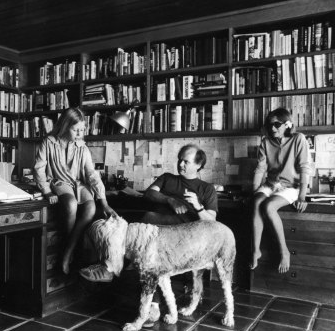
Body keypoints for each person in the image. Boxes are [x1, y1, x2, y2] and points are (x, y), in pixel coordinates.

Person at [79, 143, 218, 282]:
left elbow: (212, 222)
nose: (181, 164)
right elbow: (149, 193)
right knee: (116, 221)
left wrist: (199, 207)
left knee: (145, 219)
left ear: (198, 165)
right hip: (152, 226)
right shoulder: (167, 178)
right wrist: (170, 200)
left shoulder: (207, 189)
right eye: (180, 160)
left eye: (186, 161)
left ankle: (111, 268)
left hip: (179, 231)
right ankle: (110, 266)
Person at [33, 107, 117, 275]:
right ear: (65, 126)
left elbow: (91, 174)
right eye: (75, 129)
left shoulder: (82, 147)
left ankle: (67, 252)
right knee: (71, 204)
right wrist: (47, 191)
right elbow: (38, 169)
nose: (80, 133)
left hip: (78, 184)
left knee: (91, 208)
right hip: (58, 182)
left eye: (82, 129)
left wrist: (104, 202)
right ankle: (71, 254)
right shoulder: (48, 142)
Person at [250, 108, 310, 273]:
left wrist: (302, 197)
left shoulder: (299, 139)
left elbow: (305, 169)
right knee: (256, 201)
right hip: (272, 184)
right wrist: (255, 190)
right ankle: (256, 250)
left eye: (277, 124)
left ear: (287, 124)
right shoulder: (265, 142)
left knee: (269, 206)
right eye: (270, 125)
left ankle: (284, 251)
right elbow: (260, 169)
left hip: (291, 186)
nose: (273, 128)